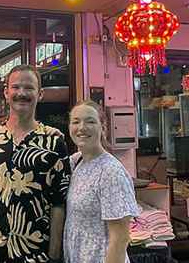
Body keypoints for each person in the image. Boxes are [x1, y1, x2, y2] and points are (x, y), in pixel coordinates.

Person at [0, 64, 71, 263]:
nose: (21, 93)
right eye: (16, 87)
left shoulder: (54, 142)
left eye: (29, 88)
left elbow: (59, 203)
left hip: (35, 254)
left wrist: (54, 255)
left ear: (40, 94)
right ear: (6, 92)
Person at [64, 100, 140, 263]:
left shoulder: (110, 172)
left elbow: (120, 239)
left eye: (90, 121)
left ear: (103, 128)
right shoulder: (76, 162)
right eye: (75, 122)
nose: (82, 127)